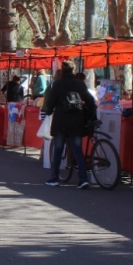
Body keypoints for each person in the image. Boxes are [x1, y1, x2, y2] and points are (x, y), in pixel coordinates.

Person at [42, 61, 97, 189]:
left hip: (61, 120)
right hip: (76, 120)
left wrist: (48, 111)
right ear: (73, 70)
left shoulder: (58, 84)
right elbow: (90, 100)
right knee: (78, 150)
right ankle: (83, 179)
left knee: (58, 149)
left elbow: (51, 101)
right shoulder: (80, 84)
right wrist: (89, 115)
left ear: (63, 70)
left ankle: (54, 178)